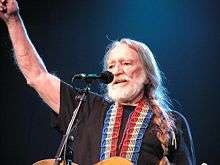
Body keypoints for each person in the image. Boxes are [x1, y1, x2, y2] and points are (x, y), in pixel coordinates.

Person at [0, 0, 196, 164]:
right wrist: (13, 20)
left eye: (126, 63)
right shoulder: (87, 107)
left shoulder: (172, 123)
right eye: (110, 66)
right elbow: (37, 76)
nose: (116, 71)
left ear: (147, 75)